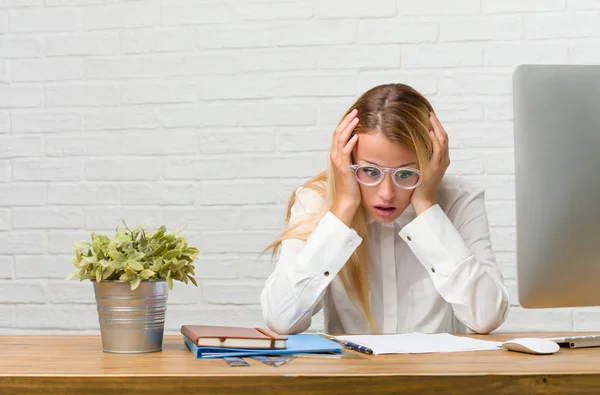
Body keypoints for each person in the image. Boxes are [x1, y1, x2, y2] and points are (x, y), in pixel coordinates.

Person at [260, 83, 509, 335]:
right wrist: (344, 207)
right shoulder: (316, 201)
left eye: (405, 173)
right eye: (369, 171)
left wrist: (425, 205)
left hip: (437, 372)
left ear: (431, 163)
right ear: (346, 161)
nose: (387, 193)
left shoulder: (459, 200)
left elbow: (486, 317)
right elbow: (282, 320)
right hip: (353, 373)